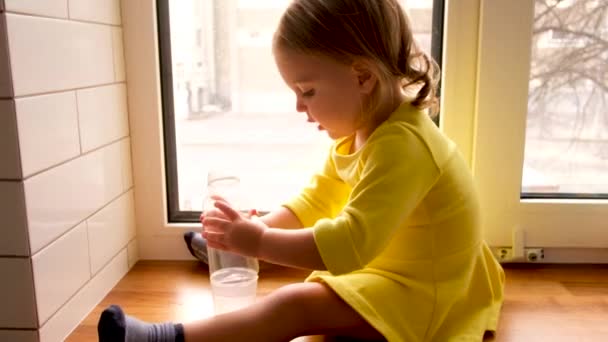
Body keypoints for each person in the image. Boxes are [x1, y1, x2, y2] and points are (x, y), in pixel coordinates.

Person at [97, 0, 505, 341]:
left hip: (424, 291)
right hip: (404, 264)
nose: (299, 107)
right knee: (281, 247)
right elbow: (316, 201)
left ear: (362, 76)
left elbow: (348, 247)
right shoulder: (364, 129)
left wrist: (258, 241)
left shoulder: (404, 147)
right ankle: (231, 251)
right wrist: (251, 236)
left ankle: (161, 338)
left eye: (307, 91)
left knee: (291, 306)